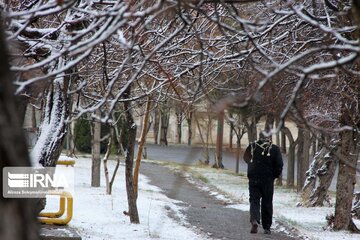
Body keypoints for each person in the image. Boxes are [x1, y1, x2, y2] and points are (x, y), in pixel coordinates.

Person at [243, 132, 283, 235]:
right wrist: (274, 175)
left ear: (259, 137)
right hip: (268, 180)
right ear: (269, 137)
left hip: (254, 178)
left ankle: (254, 220)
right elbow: (279, 165)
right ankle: (267, 227)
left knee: (254, 200)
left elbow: (246, 158)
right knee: (267, 202)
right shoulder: (274, 149)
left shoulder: (252, 146)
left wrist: (252, 166)